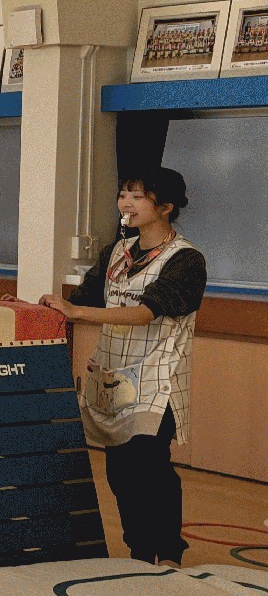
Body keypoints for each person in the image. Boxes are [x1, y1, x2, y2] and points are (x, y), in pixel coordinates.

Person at [41, 169, 205, 568]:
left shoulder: (186, 259)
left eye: (137, 197)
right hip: (114, 376)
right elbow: (83, 298)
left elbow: (146, 312)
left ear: (165, 207)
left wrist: (78, 311)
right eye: (123, 195)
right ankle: (139, 552)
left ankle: (168, 553)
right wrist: (37, 308)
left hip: (157, 378)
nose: (126, 204)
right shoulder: (117, 251)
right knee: (120, 473)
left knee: (151, 465)